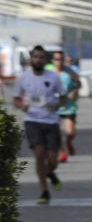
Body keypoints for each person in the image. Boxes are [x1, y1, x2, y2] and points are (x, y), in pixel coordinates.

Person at [13, 45, 67, 205]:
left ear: (45, 60)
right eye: (35, 57)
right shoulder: (23, 77)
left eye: (41, 57)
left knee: (53, 160)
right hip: (32, 120)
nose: (38, 60)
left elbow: (63, 96)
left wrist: (57, 105)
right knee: (39, 154)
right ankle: (44, 190)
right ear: (31, 59)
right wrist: (22, 106)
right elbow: (16, 98)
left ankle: (50, 173)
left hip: (50, 121)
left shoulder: (53, 77)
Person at [51, 51, 81, 163]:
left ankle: (68, 142)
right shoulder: (49, 74)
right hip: (54, 107)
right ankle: (62, 152)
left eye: (61, 59)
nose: (59, 62)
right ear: (53, 61)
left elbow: (78, 84)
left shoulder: (69, 72)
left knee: (69, 132)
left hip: (68, 106)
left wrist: (74, 91)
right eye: (57, 59)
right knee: (56, 132)